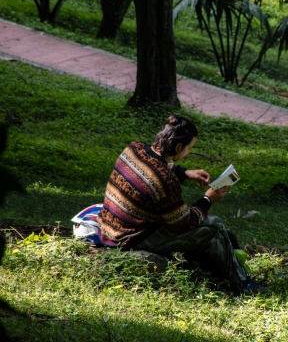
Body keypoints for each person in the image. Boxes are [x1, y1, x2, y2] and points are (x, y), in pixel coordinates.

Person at [97, 114, 266, 294]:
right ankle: (243, 285)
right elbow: (184, 224)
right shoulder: (166, 181)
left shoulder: (134, 149)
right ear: (178, 147)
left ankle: (213, 273)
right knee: (215, 226)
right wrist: (208, 199)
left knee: (218, 233)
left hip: (108, 227)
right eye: (188, 149)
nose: (188, 153)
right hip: (128, 238)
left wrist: (185, 173)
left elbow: (152, 168)